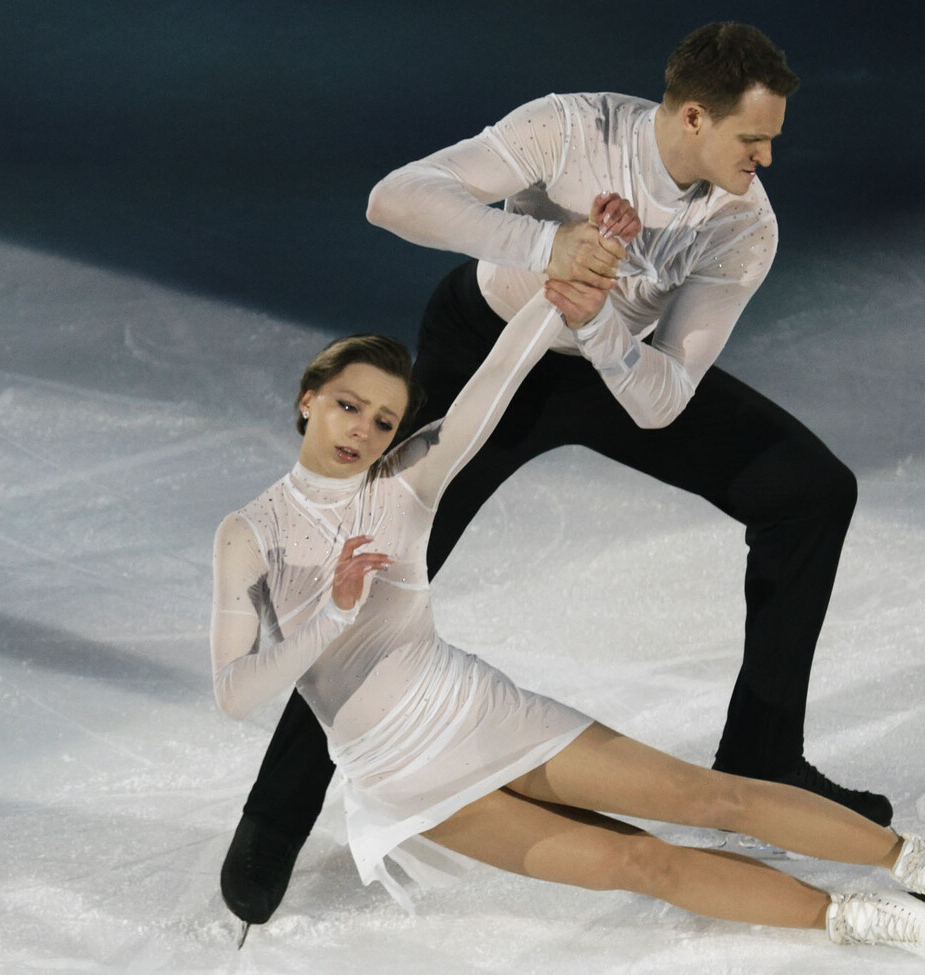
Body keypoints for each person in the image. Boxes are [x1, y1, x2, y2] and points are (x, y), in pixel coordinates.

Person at [223, 21, 888, 926]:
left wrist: (599, 321)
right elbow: (394, 198)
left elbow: (663, 401)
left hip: (614, 370)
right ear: (695, 117)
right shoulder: (572, 128)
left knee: (810, 493)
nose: (767, 158)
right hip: (489, 348)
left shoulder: (743, 223)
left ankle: (763, 755)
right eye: (753, 137)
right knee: (371, 568)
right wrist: (547, 248)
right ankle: (275, 816)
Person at [210, 256, 925, 959]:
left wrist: (555, 295)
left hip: (476, 714)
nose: (362, 429)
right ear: (309, 398)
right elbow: (237, 692)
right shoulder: (247, 537)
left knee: (708, 798)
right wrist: (332, 616)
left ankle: (917, 864)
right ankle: (856, 918)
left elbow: (496, 383)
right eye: (348, 405)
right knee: (640, 866)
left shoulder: (406, 484)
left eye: (384, 418)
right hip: (395, 777)